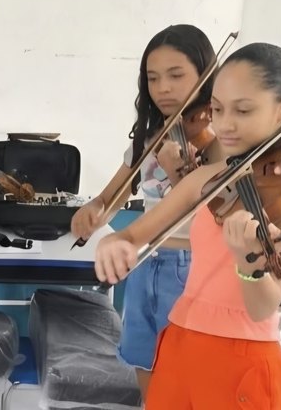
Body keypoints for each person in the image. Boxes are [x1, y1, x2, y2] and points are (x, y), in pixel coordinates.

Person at [94, 42, 281, 408]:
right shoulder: (208, 177)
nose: (224, 125)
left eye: (243, 110)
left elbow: (263, 307)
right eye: (217, 109)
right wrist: (115, 243)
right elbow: (135, 233)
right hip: (180, 345)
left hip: (242, 360)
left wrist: (249, 262)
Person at [70, 24, 217, 399]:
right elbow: (112, 197)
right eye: (153, 78)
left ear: (206, 74)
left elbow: (215, 214)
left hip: (190, 264)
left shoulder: (217, 139)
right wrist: (94, 209)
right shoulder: (151, 136)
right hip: (144, 261)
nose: (163, 87)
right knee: (143, 361)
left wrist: (177, 172)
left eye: (176, 75)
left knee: (185, 372)